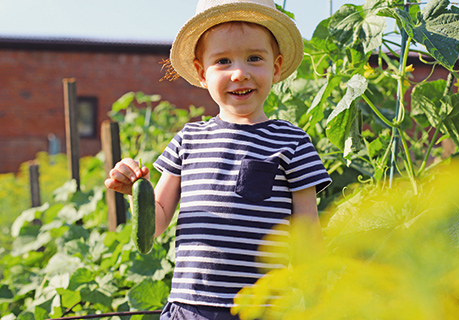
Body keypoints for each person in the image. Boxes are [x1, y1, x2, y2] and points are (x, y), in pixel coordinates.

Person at [104, 0, 332, 319]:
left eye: (254, 58)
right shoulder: (188, 139)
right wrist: (135, 193)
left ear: (276, 67)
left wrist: (317, 297)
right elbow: (155, 226)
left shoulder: (292, 141)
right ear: (201, 72)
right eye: (223, 61)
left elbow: (307, 229)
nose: (240, 73)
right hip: (190, 307)